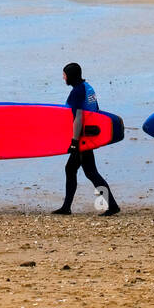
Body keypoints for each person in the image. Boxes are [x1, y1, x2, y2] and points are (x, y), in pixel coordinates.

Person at [53, 63, 120, 215]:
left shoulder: (77, 91)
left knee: (91, 173)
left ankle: (112, 205)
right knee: (71, 169)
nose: (63, 77)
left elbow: (78, 117)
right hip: (89, 135)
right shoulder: (87, 87)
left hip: (82, 138)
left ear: (70, 75)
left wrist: (75, 142)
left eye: (64, 74)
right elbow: (95, 110)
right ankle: (66, 207)